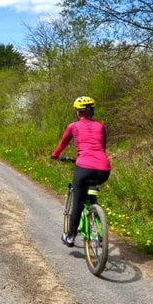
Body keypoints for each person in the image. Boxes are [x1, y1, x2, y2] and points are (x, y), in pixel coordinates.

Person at [50, 96, 111, 247]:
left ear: (78, 113)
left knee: (78, 202)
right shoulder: (101, 127)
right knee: (91, 190)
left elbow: (63, 143)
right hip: (104, 170)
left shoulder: (73, 126)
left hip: (84, 168)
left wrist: (55, 155)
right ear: (92, 112)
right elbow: (102, 147)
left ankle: (70, 236)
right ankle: (96, 215)